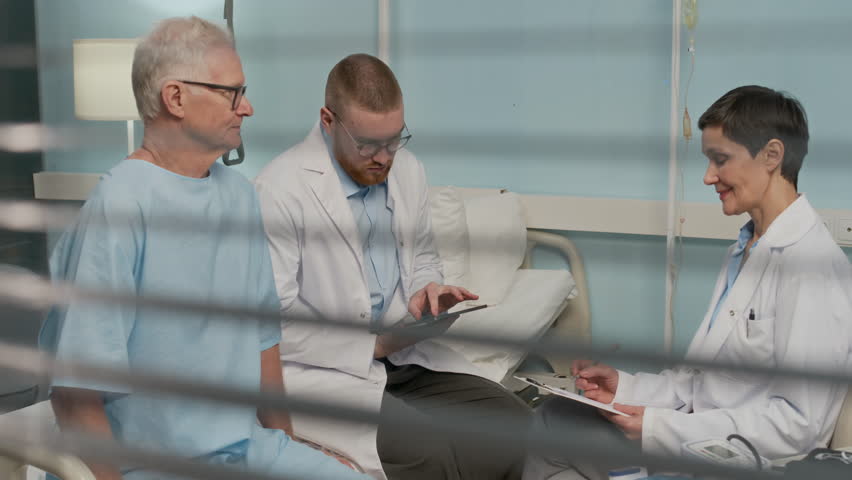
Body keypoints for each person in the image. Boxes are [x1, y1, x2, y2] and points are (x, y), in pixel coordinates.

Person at [38, 17, 368, 480]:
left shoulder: (239, 196)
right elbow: (74, 396)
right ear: (175, 98)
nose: (247, 107)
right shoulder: (120, 205)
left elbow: (262, 342)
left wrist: (289, 451)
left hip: (245, 449)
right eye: (232, 93)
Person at [523, 85, 852, 480]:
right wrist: (624, 389)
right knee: (558, 415)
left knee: (555, 430)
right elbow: (701, 384)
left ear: (772, 155)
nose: (708, 177)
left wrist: (659, 430)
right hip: (693, 436)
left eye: (720, 160)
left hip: (735, 461)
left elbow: (799, 426)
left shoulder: (813, 268)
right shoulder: (745, 250)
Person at [254, 53, 532, 480]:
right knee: (428, 451)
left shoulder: (409, 172)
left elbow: (422, 256)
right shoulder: (279, 190)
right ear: (328, 121)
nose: (384, 158)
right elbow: (274, 324)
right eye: (367, 144)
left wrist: (430, 290)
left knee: (515, 423)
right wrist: (372, 346)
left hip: (408, 357)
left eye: (394, 140)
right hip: (323, 371)